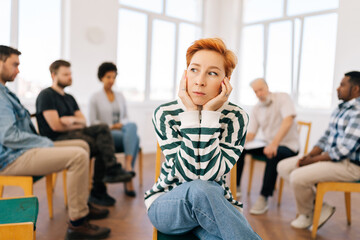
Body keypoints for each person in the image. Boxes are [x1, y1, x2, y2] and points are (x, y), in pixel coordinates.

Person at [144, 38, 262, 240]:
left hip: (215, 205)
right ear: (185, 74)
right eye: (194, 70)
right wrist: (191, 113)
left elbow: (209, 174)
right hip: (167, 205)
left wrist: (209, 114)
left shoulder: (236, 117)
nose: (200, 80)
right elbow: (188, 176)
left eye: (213, 73)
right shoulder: (165, 114)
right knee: (200, 189)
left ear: (226, 80)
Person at [0, 45, 111, 239]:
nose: (18, 70)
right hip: (12, 157)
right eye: (14, 64)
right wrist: (42, 141)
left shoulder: (5, 92)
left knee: (83, 145)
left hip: (22, 149)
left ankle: (82, 204)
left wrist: (42, 141)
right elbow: (9, 136)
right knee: (78, 155)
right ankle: (77, 223)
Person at [35, 60, 133, 207]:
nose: (70, 77)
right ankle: (98, 190)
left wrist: (69, 120)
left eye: (70, 73)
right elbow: (55, 126)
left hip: (71, 132)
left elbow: (83, 120)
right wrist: (73, 123)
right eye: (65, 74)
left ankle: (111, 170)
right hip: (56, 138)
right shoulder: (46, 95)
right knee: (100, 143)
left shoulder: (69, 98)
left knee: (102, 128)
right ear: (53, 75)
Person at [277, 71, 360, 230]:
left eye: (342, 85)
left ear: (356, 89)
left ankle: (307, 213)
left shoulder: (358, 112)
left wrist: (312, 161)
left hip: (351, 166)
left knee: (297, 176)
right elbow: (325, 138)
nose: (338, 88)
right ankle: (319, 207)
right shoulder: (341, 109)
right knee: (284, 166)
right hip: (333, 160)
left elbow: (344, 150)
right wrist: (309, 155)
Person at [236, 78, 299, 215]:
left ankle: (264, 197)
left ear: (267, 87)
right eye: (255, 91)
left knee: (273, 153)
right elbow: (252, 133)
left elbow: (288, 120)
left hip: (288, 145)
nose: (259, 93)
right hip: (267, 143)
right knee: (241, 149)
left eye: (261, 89)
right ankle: (236, 187)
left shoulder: (282, 98)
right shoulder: (256, 108)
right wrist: (237, 142)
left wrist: (274, 144)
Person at [89, 62, 140, 197]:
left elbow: (125, 117)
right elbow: (92, 122)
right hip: (107, 135)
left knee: (132, 126)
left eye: (113, 77)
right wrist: (111, 126)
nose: (111, 80)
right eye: (108, 77)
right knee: (136, 138)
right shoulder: (95, 97)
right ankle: (128, 177)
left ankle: (127, 167)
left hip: (121, 131)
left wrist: (120, 124)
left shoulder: (120, 96)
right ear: (101, 78)